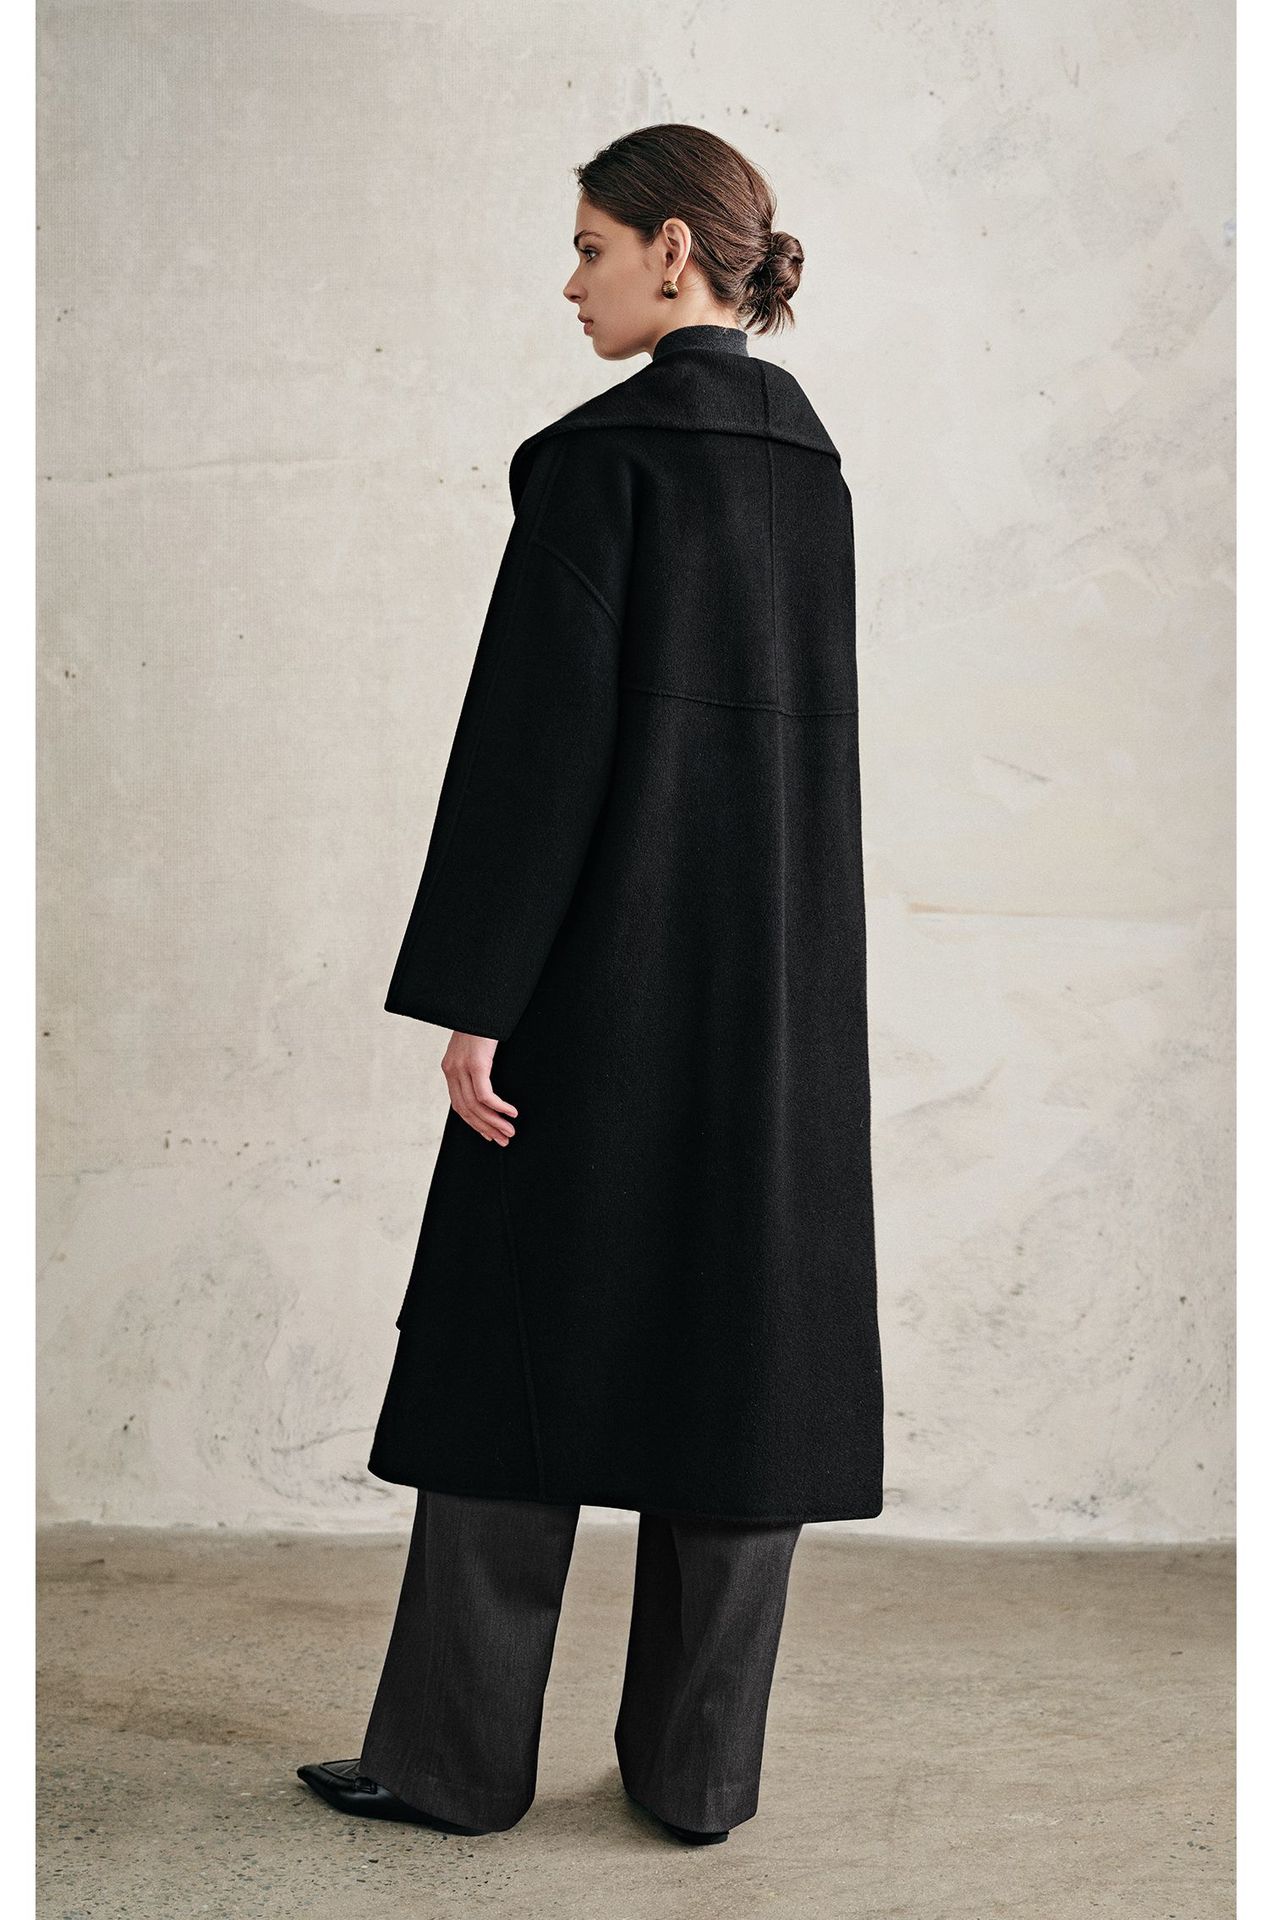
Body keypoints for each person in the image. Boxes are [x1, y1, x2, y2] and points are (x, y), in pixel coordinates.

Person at [298, 121, 884, 1846]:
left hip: (599, 980)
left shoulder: (599, 463)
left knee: (508, 1346)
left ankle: (451, 1762)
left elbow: (530, 759)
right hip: (776, 1001)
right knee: (744, 1350)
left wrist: (477, 994)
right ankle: (699, 1780)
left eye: (589, 247)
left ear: (674, 253)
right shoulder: (811, 469)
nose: (571, 284)